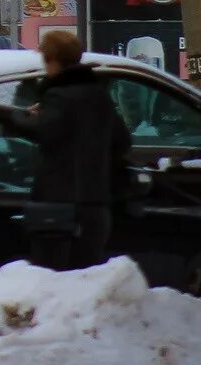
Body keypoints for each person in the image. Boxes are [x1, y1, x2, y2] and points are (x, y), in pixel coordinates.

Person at [27, 28, 130, 270]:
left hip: (59, 203)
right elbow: (122, 142)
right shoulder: (99, 96)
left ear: (52, 60)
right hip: (96, 203)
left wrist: (23, 118)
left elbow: (46, 132)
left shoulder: (59, 97)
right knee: (87, 277)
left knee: (57, 280)